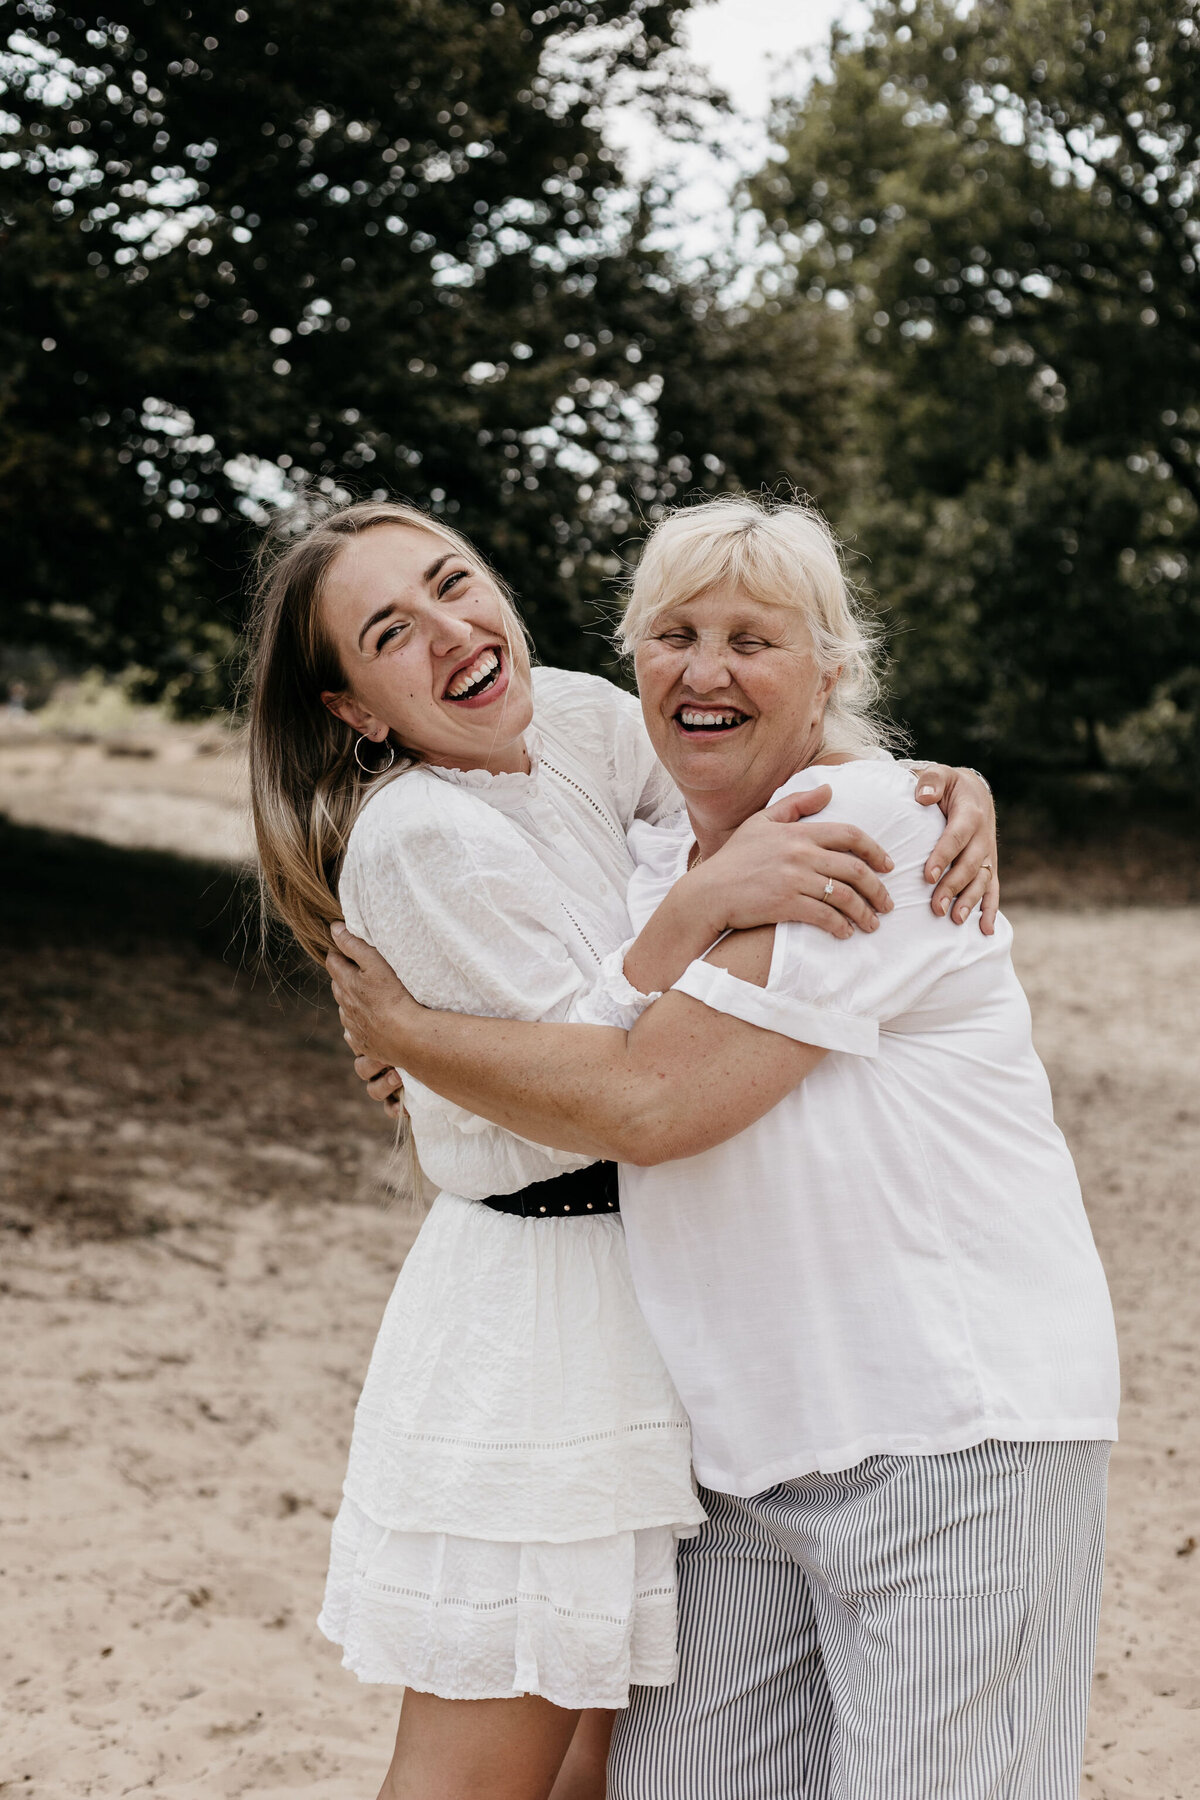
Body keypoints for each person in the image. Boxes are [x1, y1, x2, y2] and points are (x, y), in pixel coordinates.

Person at [329, 495, 1119, 1800]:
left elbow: (646, 1100)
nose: (705, 669)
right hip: (743, 1477)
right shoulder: (648, 871)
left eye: (754, 638)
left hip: (954, 1440)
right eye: (675, 634)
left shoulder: (875, 834)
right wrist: (431, 1043)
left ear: (832, 670)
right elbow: (561, 1022)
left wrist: (411, 1029)